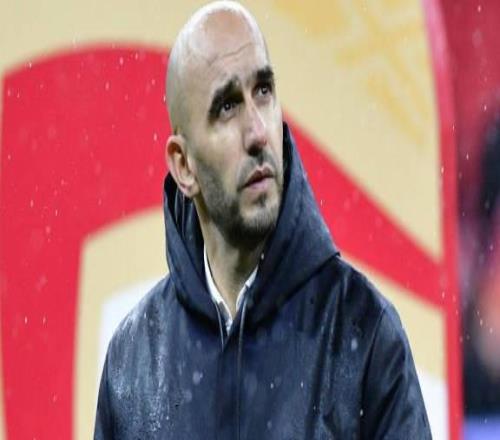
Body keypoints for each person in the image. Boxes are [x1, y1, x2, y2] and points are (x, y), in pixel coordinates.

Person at [94, 2, 431, 439]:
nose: (257, 132)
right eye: (227, 107)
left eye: (264, 91)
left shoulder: (365, 333)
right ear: (184, 165)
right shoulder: (132, 365)